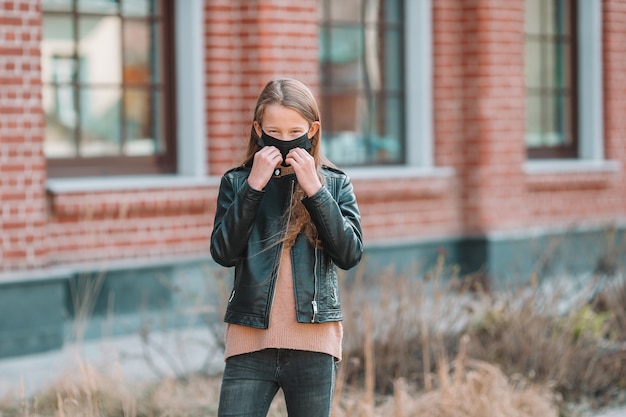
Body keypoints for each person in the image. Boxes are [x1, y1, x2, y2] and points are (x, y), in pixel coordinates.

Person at [210, 78, 363, 417]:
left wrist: (315, 190)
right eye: (273, 132)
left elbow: (349, 254)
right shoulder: (236, 182)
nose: (283, 141)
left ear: (313, 130)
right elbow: (223, 252)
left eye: (294, 131)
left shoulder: (335, 184)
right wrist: (253, 188)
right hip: (250, 342)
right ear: (257, 129)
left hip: (314, 343)